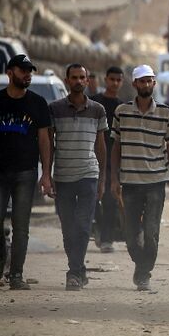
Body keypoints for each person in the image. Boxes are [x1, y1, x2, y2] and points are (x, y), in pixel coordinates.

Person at [0, 54, 52, 290]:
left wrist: (46, 174)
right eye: (23, 70)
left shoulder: (37, 103)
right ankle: (2, 257)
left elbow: (45, 140)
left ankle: (16, 275)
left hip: (26, 172)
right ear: (10, 73)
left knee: (21, 226)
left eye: (30, 71)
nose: (27, 74)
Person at [111, 65, 169, 291]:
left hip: (155, 182)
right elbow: (116, 147)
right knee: (131, 237)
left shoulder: (165, 112)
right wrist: (114, 179)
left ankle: (143, 273)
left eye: (150, 81)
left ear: (154, 83)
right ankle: (141, 266)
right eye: (142, 81)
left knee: (151, 233)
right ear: (135, 85)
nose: (146, 85)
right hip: (130, 182)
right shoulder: (122, 112)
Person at [49, 64, 108, 291]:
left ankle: (73, 273)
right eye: (74, 77)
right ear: (67, 80)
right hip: (63, 176)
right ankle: (79, 268)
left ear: (87, 81)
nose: (78, 81)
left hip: (88, 175)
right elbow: (49, 145)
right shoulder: (54, 109)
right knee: (68, 229)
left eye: (82, 77)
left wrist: (102, 179)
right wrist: (47, 174)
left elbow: (100, 146)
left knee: (83, 226)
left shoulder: (97, 110)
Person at [90, 66, 124, 253]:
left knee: (111, 199)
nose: (115, 83)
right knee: (92, 198)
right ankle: (98, 228)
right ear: (106, 80)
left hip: (113, 159)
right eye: (112, 79)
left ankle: (107, 238)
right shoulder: (95, 103)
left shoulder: (122, 106)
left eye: (118, 80)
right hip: (92, 157)